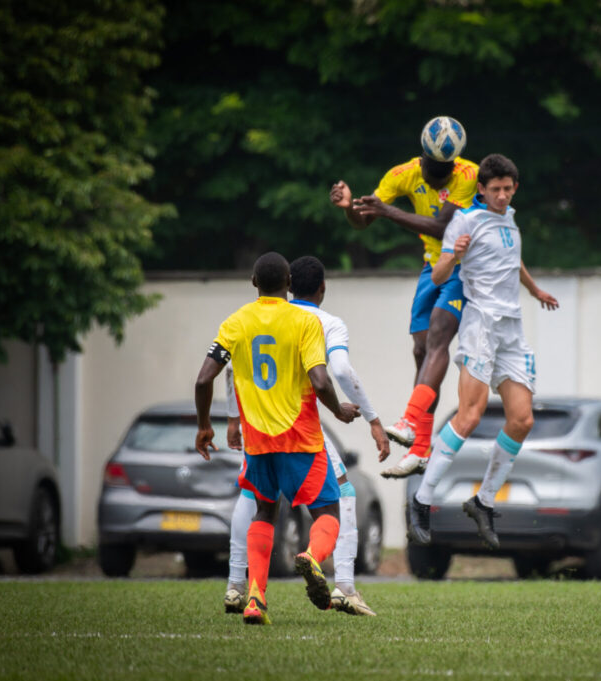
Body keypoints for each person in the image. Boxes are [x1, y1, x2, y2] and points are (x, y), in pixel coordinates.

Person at [331, 118, 556, 479]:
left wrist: (388, 211)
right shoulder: (401, 175)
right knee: (421, 352)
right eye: (436, 169)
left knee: (438, 337)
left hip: (463, 269)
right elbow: (365, 221)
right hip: (431, 268)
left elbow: (441, 227)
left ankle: (409, 422)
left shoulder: (468, 177)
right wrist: (348, 209)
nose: (443, 176)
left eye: (448, 168)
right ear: (423, 160)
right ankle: (420, 448)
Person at [194, 252, 359, 625]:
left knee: (265, 511)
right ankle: (313, 557)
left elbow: (204, 379)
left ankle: (254, 598)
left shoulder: (236, 322)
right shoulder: (304, 321)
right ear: (288, 282)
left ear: (253, 282)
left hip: (257, 443)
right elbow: (319, 380)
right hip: (300, 440)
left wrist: (206, 426)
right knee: (328, 512)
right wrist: (338, 410)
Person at [221, 256, 389, 617]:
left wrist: (232, 419)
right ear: (322, 287)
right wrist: (365, 417)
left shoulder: (247, 318)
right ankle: (341, 584)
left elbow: (228, 369)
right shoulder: (317, 322)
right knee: (340, 493)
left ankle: (240, 588)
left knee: (257, 503)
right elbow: (335, 371)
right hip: (299, 427)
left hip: (257, 427)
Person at [407, 153, 549, 550]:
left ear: (513, 188)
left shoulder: (510, 218)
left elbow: (512, 259)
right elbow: (438, 275)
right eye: (495, 190)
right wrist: (455, 254)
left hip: (512, 331)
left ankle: (483, 501)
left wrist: (535, 290)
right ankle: (421, 500)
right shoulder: (465, 221)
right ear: (482, 190)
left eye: (508, 189)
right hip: (480, 326)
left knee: (522, 420)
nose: (502, 196)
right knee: (469, 416)